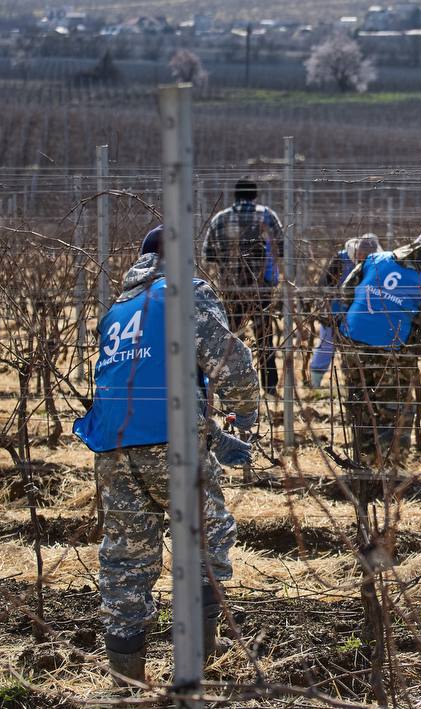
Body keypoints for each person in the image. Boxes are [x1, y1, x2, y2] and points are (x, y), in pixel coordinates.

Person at [74, 226, 260, 682]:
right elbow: (228, 361)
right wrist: (245, 413)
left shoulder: (118, 309)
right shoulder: (183, 295)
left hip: (114, 448)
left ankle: (126, 677)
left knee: (125, 558)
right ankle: (198, 664)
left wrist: (210, 429)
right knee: (204, 543)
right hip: (173, 446)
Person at [338, 225, 421, 463]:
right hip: (393, 353)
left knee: (360, 406)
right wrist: (411, 350)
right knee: (397, 412)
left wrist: (355, 319)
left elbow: (346, 290)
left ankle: (363, 464)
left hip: (352, 345)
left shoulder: (376, 259)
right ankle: (390, 471)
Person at [202, 179, 284, 395]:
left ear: (235, 197)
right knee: (265, 338)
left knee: (231, 340)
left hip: (231, 291)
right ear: (255, 196)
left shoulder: (220, 219)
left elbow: (208, 255)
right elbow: (282, 249)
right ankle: (269, 386)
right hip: (261, 290)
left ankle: (233, 386)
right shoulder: (267, 216)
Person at [309, 233, 381, 388]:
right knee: (326, 346)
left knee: (353, 351)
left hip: (358, 316)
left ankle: (353, 384)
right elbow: (324, 285)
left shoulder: (377, 264)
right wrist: (326, 310)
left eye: (365, 255)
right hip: (334, 311)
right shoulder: (341, 259)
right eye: (359, 253)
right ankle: (314, 384)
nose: (361, 257)